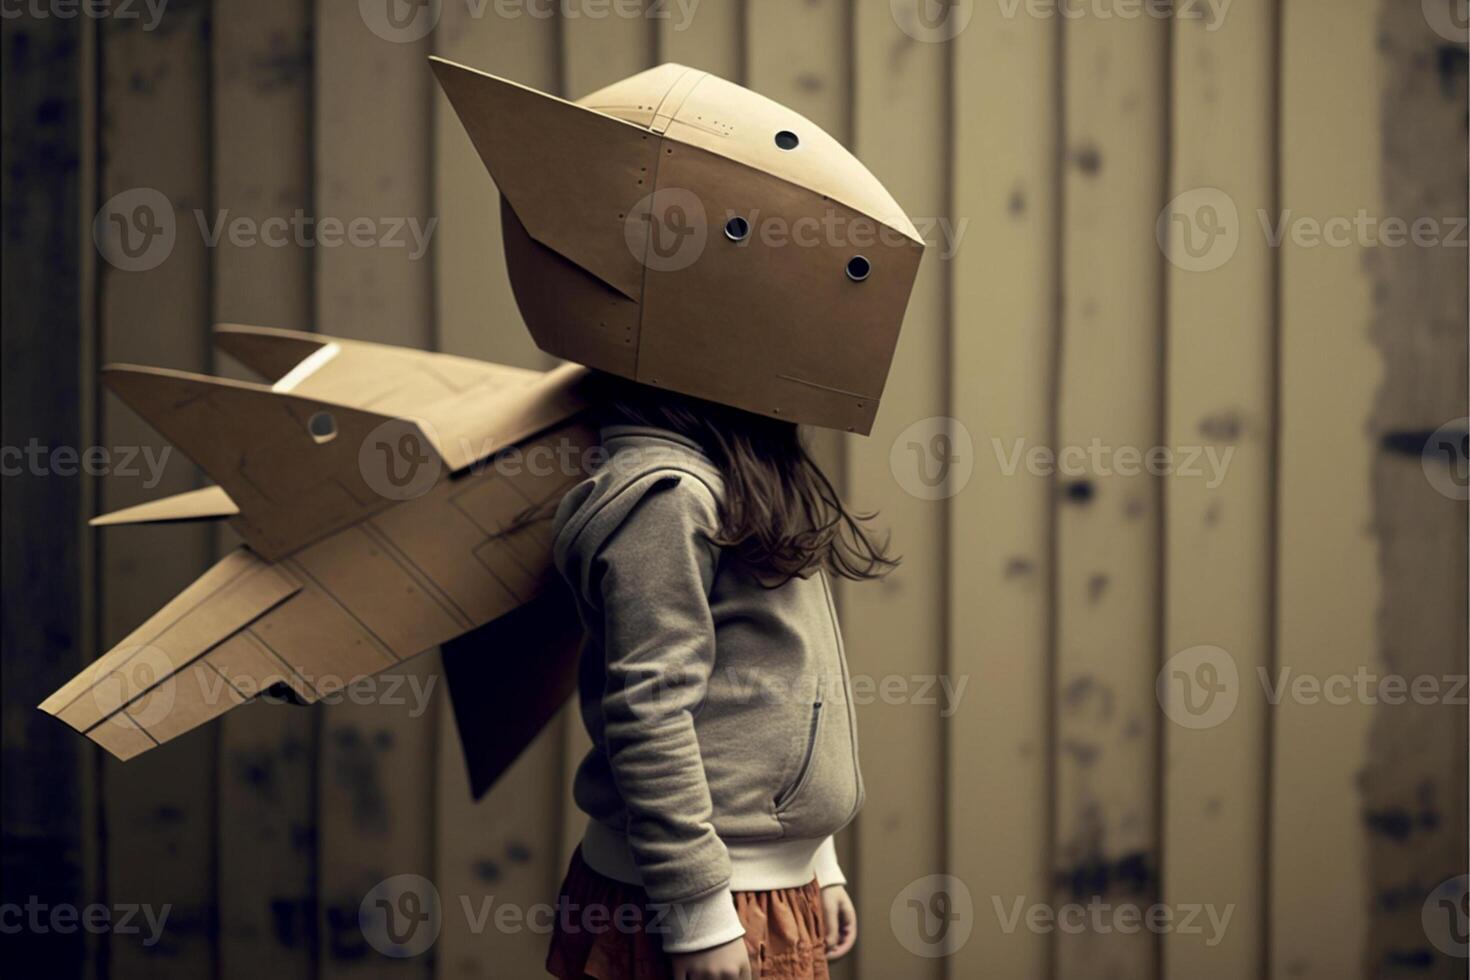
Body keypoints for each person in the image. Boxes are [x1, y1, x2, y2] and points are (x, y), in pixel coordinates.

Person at [544, 376, 896, 980]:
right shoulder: (668, 498)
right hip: (701, 897)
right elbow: (650, 711)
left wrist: (815, 858)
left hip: (757, 885)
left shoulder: (730, 484)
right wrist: (697, 915)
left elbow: (769, 702)